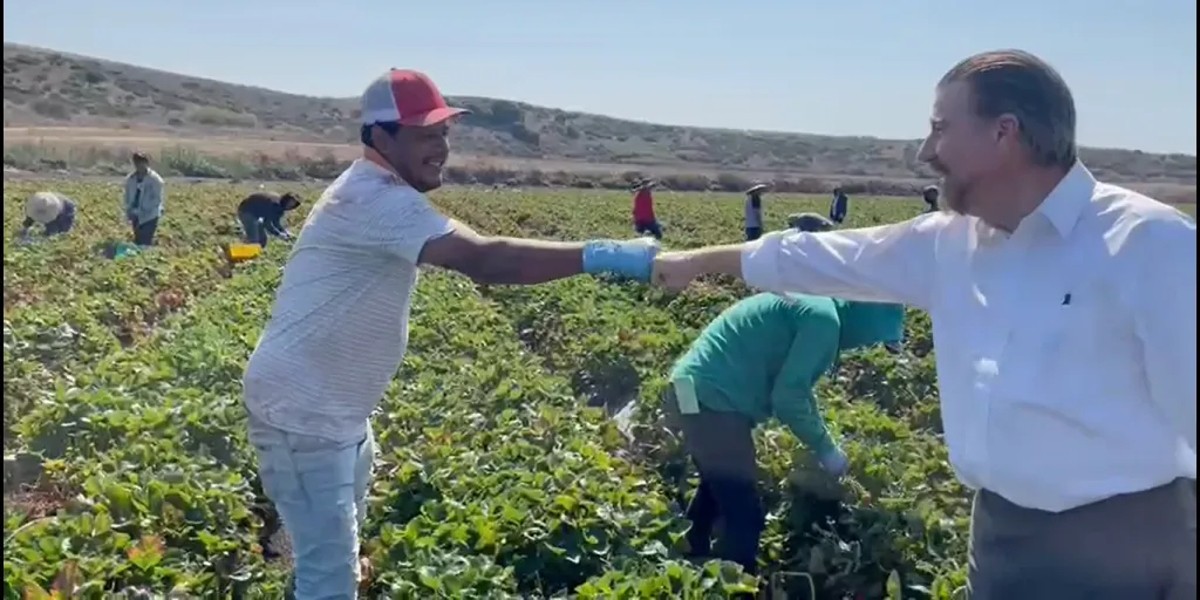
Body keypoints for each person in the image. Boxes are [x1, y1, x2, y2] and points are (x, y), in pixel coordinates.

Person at [649, 49, 1195, 599]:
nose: (925, 151)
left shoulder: (1148, 242)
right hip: (999, 537)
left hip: (1127, 543)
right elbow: (820, 256)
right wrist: (698, 261)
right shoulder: (947, 242)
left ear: (1004, 133)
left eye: (940, 128)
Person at [241, 68, 659, 599]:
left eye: (443, 132)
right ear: (380, 137)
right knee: (330, 575)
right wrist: (607, 255)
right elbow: (485, 259)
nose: (440, 147)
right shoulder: (372, 198)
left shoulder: (378, 191)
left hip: (335, 409)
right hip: (302, 414)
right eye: (424, 134)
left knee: (335, 545)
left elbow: (473, 244)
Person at [664, 292, 906, 575]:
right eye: (874, 338)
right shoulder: (823, 321)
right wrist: (826, 449)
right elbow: (788, 397)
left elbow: (797, 390)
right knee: (745, 514)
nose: (866, 346)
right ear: (869, 321)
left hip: (686, 390)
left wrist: (822, 440)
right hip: (710, 399)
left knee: (718, 484)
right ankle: (736, 586)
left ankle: (689, 556)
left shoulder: (815, 304)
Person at [123, 152, 165, 246]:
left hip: (150, 215)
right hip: (135, 214)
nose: (139, 166)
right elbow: (127, 196)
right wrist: (129, 209)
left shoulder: (155, 179)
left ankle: (150, 249)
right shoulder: (131, 179)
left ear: (146, 163)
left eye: (141, 163)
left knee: (145, 240)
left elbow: (157, 199)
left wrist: (144, 209)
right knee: (138, 240)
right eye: (136, 163)